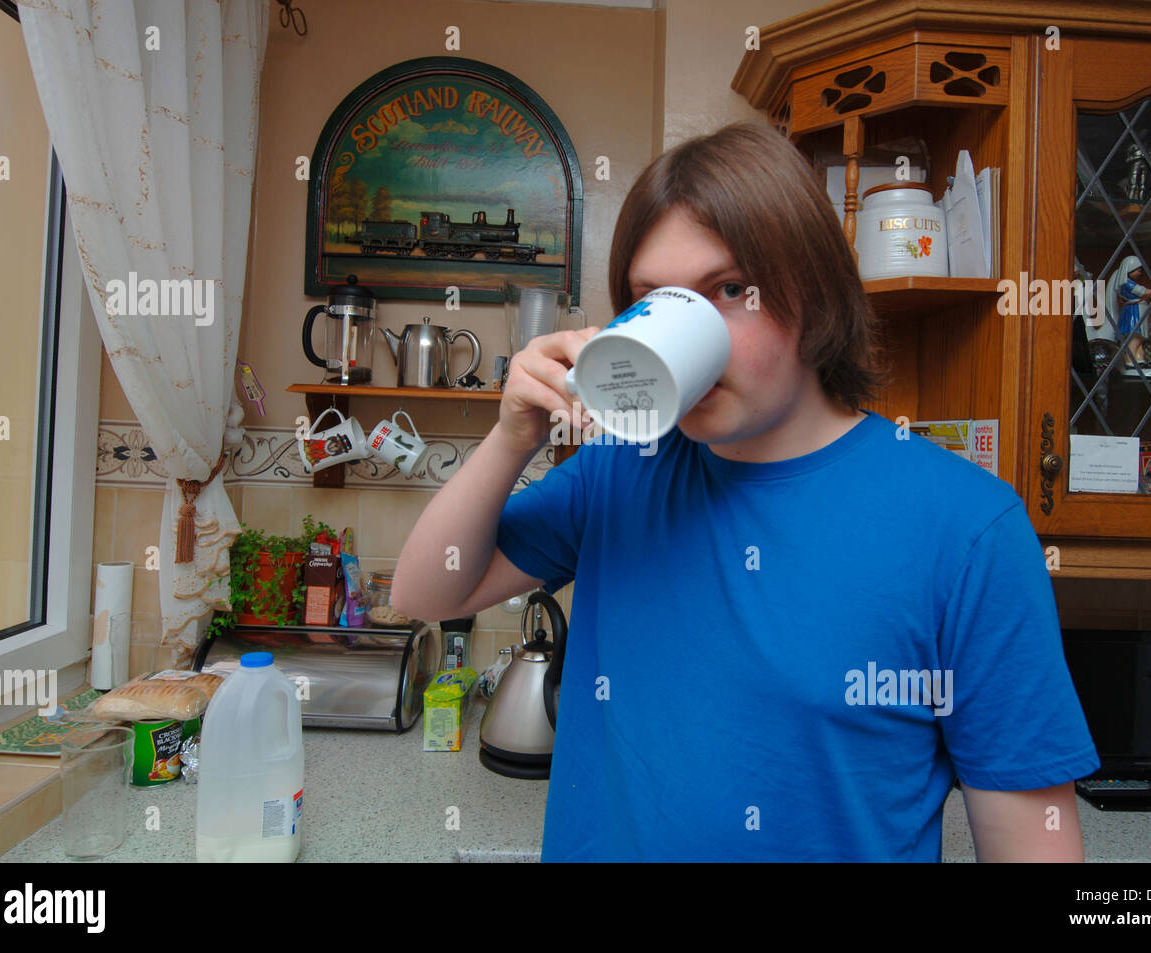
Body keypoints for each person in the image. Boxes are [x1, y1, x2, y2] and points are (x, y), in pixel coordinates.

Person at [391, 120, 1099, 861]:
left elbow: (1031, 846)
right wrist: (512, 437)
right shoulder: (622, 469)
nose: (681, 332)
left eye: (728, 290)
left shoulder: (967, 530)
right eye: (651, 299)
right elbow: (425, 593)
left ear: (816, 296)